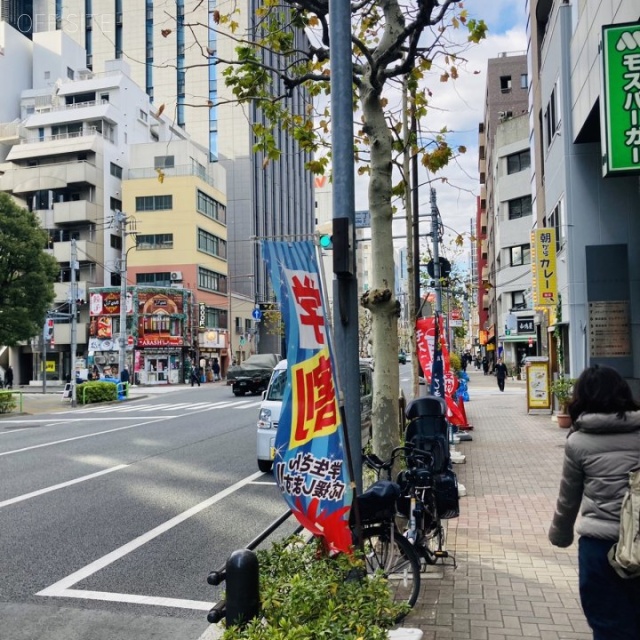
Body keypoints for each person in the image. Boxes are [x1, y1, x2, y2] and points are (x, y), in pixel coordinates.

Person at [548, 365, 640, 639]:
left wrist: (560, 535)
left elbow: (568, 498)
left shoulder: (578, 442)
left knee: (608, 625)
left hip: (600, 549)